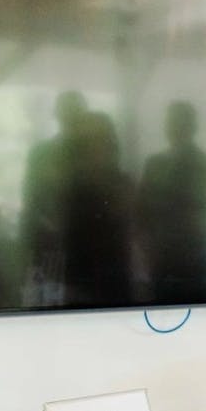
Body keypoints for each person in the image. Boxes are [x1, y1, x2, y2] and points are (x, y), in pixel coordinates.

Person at [136, 100, 206, 305]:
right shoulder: (153, 164)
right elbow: (141, 209)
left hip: (192, 258)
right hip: (161, 258)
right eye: (170, 122)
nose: (172, 127)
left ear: (192, 127)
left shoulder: (204, 165)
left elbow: (199, 206)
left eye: (179, 122)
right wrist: (147, 248)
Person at [61, 110, 135, 308]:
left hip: (118, 285)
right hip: (76, 284)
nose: (95, 147)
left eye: (101, 139)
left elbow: (131, 230)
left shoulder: (123, 183)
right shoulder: (71, 185)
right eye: (88, 141)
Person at [20, 90, 88, 300]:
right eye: (66, 112)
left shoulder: (94, 155)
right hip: (46, 246)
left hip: (85, 250)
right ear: (57, 115)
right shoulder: (40, 153)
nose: (70, 118)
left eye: (75, 113)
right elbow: (30, 198)